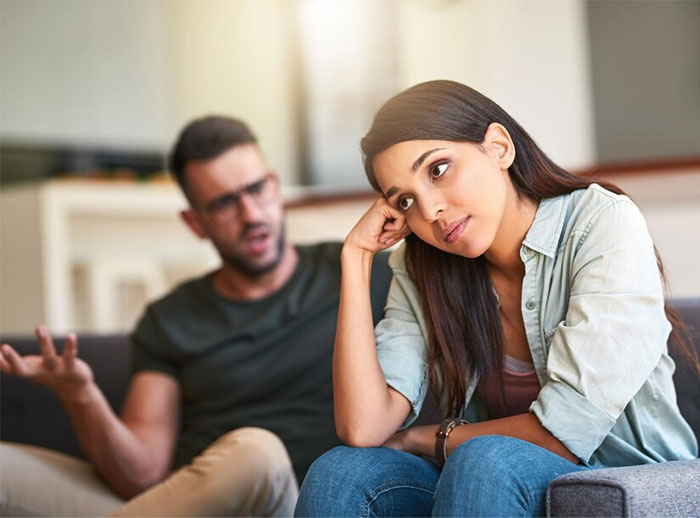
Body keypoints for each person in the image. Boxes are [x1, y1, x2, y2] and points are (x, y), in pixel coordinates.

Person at [294, 80, 699, 517]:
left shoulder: (600, 224)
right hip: (489, 483)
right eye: (406, 200)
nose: (429, 211)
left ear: (499, 147)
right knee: (342, 470)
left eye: (437, 170)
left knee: (485, 458)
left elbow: (564, 431)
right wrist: (356, 257)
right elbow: (363, 426)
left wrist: (428, 438)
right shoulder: (423, 266)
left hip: (628, 477)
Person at [0, 116, 393, 517]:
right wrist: (80, 395)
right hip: (184, 504)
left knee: (256, 451)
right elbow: (142, 474)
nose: (251, 214)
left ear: (274, 186)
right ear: (194, 222)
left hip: (291, 503)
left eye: (257, 189)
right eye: (224, 203)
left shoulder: (359, 270)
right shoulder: (170, 318)